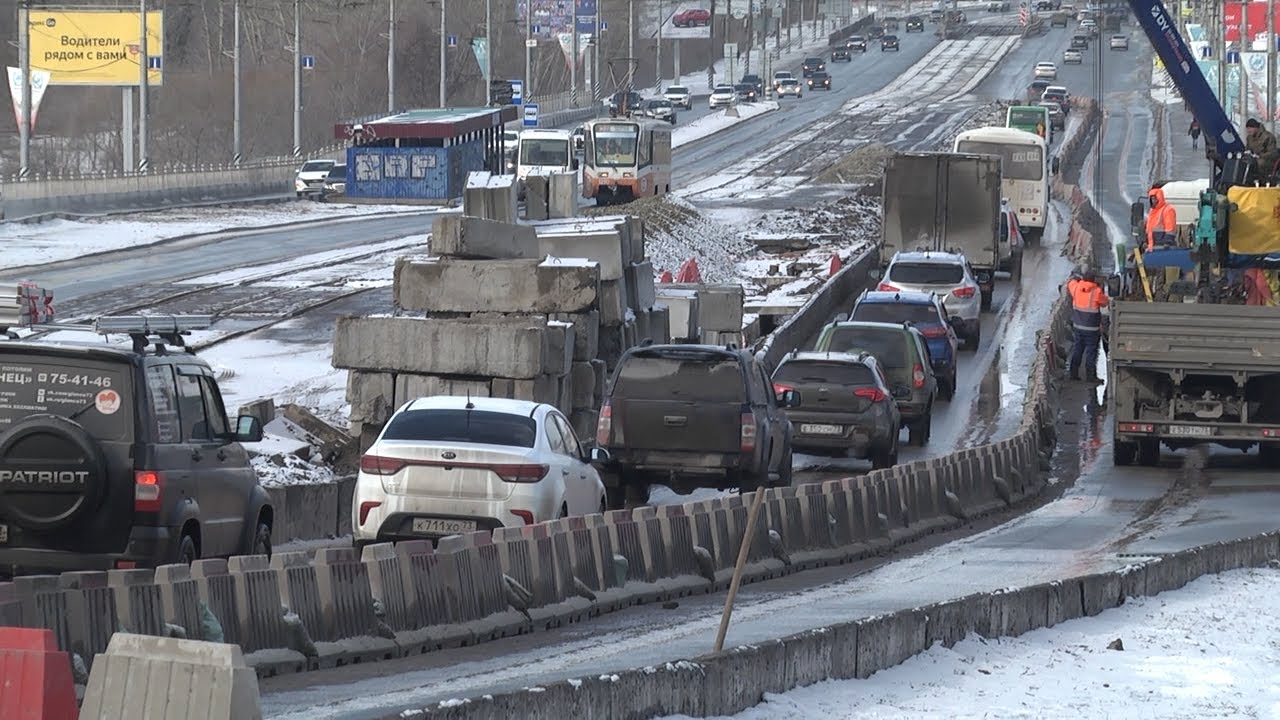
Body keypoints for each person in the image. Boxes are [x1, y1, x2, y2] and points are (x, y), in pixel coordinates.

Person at [1067, 266, 1109, 383]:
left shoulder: (1076, 288)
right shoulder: (1096, 292)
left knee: (1078, 349)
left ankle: (1073, 374)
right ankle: (1090, 377)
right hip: (1092, 329)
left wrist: (1075, 277)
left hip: (1078, 327)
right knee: (1091, 352)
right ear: (1093, 279)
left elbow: (1071, 282)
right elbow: (1105, 303)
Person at [1144, 184, 1178, 251]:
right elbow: (1149, 229)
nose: (1153, 201)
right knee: (1137, 255)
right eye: (1151, 199)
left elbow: (1170, 229)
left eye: (1154, 198)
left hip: (1162, 247)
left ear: (1159, 197)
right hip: (1153, 247)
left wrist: (1167, 242)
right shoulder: (1152, 211)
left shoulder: (1168, 210)